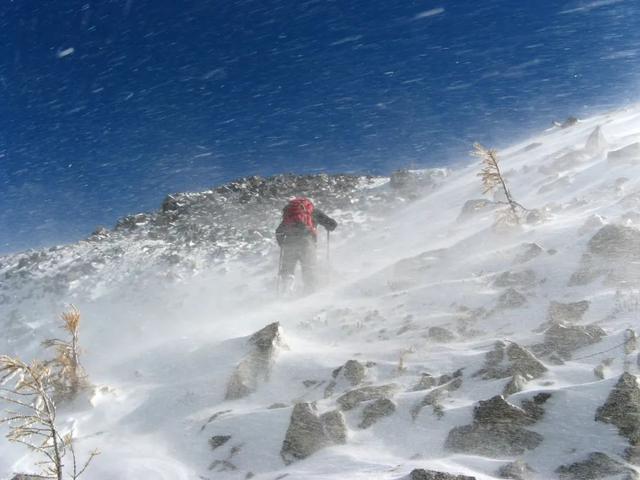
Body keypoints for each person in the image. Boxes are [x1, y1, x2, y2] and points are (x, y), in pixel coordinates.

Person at [276, 197, 337, 293]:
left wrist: (283, 245)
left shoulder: (289, 214)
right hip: (306, 242)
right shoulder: (313, 211)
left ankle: (286, 289)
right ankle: (309, 292)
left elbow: (279, 231)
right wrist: (329, 226)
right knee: (309, 267)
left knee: (288, 268)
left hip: (289, 242)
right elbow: (332, 224)